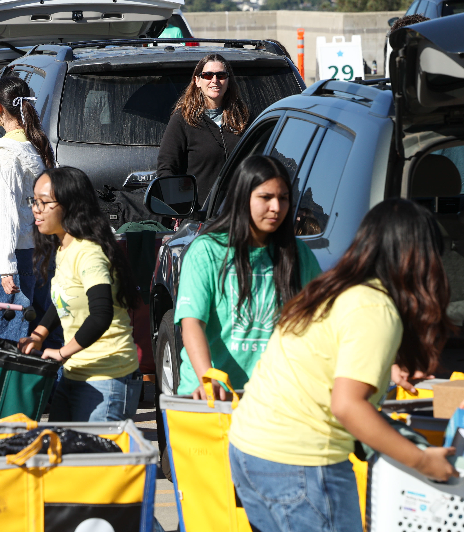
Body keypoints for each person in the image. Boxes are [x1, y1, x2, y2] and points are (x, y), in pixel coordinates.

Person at [229, 199, 458, 532]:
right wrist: (422, 461)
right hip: (300, 462)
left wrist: (389, 366)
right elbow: (348, 406)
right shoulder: (375, 307)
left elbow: (323, 358)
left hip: (250, 449)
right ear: (417, 259)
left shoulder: (331, 289)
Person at [175, 155, 321, 400]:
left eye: (283, 198)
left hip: (274, 399)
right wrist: (207, 378)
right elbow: (192, 323)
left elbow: (323, 322)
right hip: (213, 400)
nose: (276, 207)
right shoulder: (207, 251)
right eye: (266, 197)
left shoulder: (299, 254)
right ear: (243, 198)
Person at [17, 167, 141, 422]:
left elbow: (101, 314)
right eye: (34, 201)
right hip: (76, 372)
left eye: (44, 202)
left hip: (107, 378)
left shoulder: (89, 253)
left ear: (71, 205)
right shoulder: (64, 247)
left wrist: (62, 352)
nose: (36, 209)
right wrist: (38, 335)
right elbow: (64, 300)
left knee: (92, 450)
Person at [0, 75, 56, 342]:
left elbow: (7, 212)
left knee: (10, 338)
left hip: (15, 251)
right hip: (42, 249)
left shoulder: (4, 150)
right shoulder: (36, 144)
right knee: (42, 333)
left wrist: (5, 266)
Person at [157, 54, 249, 202]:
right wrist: (178, 204)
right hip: (199, 211)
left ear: (228, 80)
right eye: (208, 75)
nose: (215, 80)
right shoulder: (183, 119)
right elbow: (166, 168)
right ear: (197, 81)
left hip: (238, 208)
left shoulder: (243, 118)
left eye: (221, 75)